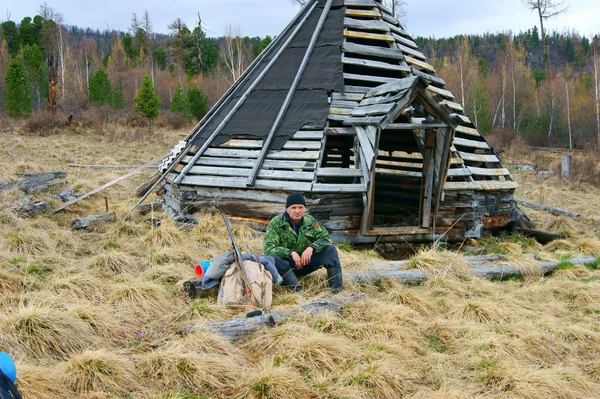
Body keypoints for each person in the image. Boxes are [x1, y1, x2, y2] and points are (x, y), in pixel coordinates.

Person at [263, 192, 343, 293]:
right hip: (287, 267)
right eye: (293, 207)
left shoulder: (310, 220)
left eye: (300, 207)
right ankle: (297, 291)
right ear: (287, 209)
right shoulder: (276, 223)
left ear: (304, 209)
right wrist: (290, 253)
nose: (297, 211)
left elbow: (325, 238)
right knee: (273, 258)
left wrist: (311, 248)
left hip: (306, 262)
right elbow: (269, 248)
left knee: (330, 250)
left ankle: (337, 290)